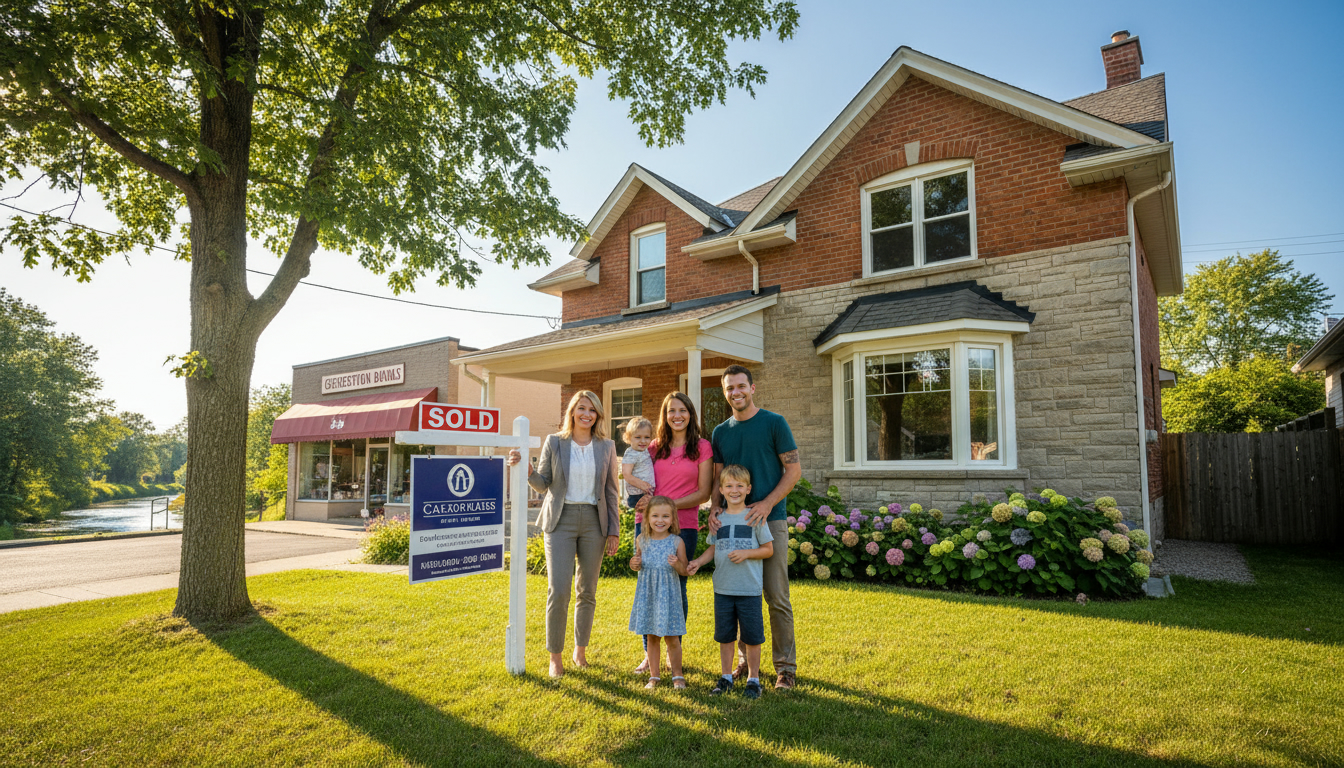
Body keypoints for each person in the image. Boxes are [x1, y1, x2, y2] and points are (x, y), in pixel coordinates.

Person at [507, 390, 620, 678]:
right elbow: (543, 484)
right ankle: (554, 657)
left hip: (595, 522)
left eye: (592, 410)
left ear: (598, 415)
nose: (587, 414)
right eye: (581, 408)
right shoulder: (555, 442)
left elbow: (610, 491)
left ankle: (580, 651)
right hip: (560, 520)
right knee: (558, 590)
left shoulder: (607, 446)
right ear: (572, 411)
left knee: (588, 591)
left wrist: (614, 531)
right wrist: (525, 468)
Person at [708, 364, 801, 690]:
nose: (736, 393)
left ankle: (785, 669)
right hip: (733, 523)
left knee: (776, 596)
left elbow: (793, 470)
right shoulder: (721, 432)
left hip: (769, 521)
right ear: (725, 392)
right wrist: (714, 508)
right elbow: (718, 478)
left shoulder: (774, 423)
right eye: (729, 388)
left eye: (740, 386)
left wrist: (766, 504)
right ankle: (747, 665)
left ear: (752, 388)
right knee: (737, 594)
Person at [631, 391, 713, 673]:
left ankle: (672, 650)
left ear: (690, 413)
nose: (677, 416)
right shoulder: (653, 448)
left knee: (677, 587)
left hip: (684, 526)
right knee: (648, 587)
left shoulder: (702, 447)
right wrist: (638, 501)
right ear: (664, 416)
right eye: (671, 411)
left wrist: (666, 507)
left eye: (682, 410)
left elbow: (703, 493)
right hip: (647, 527)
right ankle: (648, 653)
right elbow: (635, 477)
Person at [687, 464, 773, 700]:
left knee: (753, 636)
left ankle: (753, 680)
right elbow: (714, 548)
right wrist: (698, 562)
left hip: (749, 589)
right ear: (722, 490)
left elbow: (768, 549)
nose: (734, 490)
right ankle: (726, 677)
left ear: (748, 489)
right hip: (723, 588)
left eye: (739, 486)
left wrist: (746, 554)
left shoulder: (754, 517)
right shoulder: (718, 519)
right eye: (729, 486)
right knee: (725, 636)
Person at [627, 496, 688, 689]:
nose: (660, 520)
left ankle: (677, 675)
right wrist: (633, 564)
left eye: (665, 516)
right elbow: (637, 563)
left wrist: (677, 564)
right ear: (647, 518)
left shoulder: (677, 542)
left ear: (672, 519)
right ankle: (654, 676)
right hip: (649, 597)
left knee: (672, 637)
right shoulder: (641, 540)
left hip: (668, 597)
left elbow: (684, 570)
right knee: (652, 636)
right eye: (655, 516)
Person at [621, 416, 657, 510]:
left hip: (646, 493)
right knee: (641, 522)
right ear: (629, 438)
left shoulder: (645, 450)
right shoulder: (631, 453)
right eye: (638, 437)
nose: (643, 441)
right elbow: (627, 475)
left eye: (647, 437)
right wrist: (643, 485)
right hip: (637, 496)